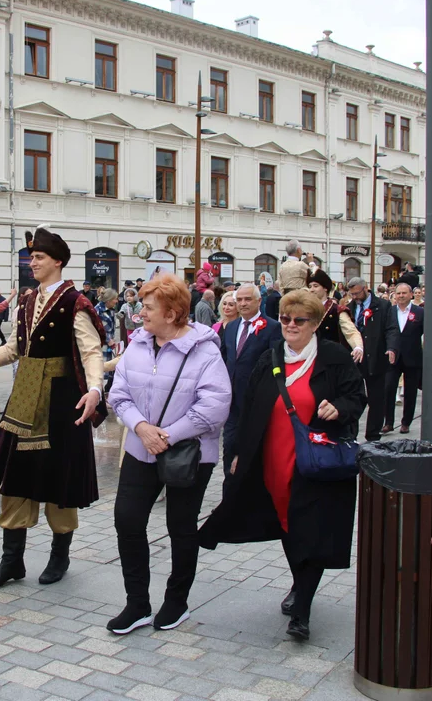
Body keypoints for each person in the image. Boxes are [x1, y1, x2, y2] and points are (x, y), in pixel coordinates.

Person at [199, 290, 367, 642]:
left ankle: (302, 609)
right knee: (289, 526)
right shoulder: (270, 357)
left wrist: (340, 407)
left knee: (313, 528)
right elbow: (248, 408)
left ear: (316, 323)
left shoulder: (333, 357)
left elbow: (356, 395)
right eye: (287, 318)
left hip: (316, 462)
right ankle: (299, 582)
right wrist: (240, 454)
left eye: (300, 320)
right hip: (274, 459)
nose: (291, 325)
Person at [0, 227, 106, 590]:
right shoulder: (26, 302)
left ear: (57, 261)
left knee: (59, 478)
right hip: (25, 397)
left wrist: (94, 389)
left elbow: (91, 351)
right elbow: (13, 349)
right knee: (16, 477)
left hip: (62, 402)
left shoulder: (75, 302)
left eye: (39, 258)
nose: (33, 263)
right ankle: (11, 561)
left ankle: (59, 555)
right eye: (31, 257)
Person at [106, 274, 231, 634]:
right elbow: (119, 394)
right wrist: (142, 428)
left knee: (180, 526)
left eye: (148, 307)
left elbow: (216, 405)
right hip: (140, 447)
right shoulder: (138, 344)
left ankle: (176, 602)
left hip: (188, 453)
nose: (139, 313)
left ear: (173, 313)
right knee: (127, 520)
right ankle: (137, 604)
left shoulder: (205, 350)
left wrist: (169, 435)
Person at [220, 283, 281, 479]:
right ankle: (228, 496)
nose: (243, 304)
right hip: (231, 401)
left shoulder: (272, 328)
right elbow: (224, 359)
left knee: (253, 449)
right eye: (240, 300)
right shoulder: (231, 327)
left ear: (259, 301)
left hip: (256, 401)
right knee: (229, 446)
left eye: (248, 299)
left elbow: (274, 364)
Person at [346, 277, 398, 442]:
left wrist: (391, 348)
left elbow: (391, 328)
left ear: (366, 288)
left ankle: (373, 435)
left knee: (377, 399)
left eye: (357, 293)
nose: (354, 297)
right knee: (353, 397)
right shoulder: (348, 308)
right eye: (351, 294)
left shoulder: (383, 306)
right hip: (355, 359)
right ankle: (351, 434)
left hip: (376, 357)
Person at [383, 283, 424, 435]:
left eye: (404, 293)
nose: (401, 296)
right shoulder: (390, 311)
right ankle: (388, 422)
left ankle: (406, 422)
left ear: (411, 295)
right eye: (398, 293)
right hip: (392, 358)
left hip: (413, 358)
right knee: (388, 389)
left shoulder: (419, 312)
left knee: (410, 392)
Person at [306, 269, 363, 358]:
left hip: (329, 357)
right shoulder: (305, 310)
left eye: (315, 286)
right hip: (307, 357)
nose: (311, 290)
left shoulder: (337, 310)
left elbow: (351, 332)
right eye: (310, 286)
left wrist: (358, 347)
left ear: (325, 288)